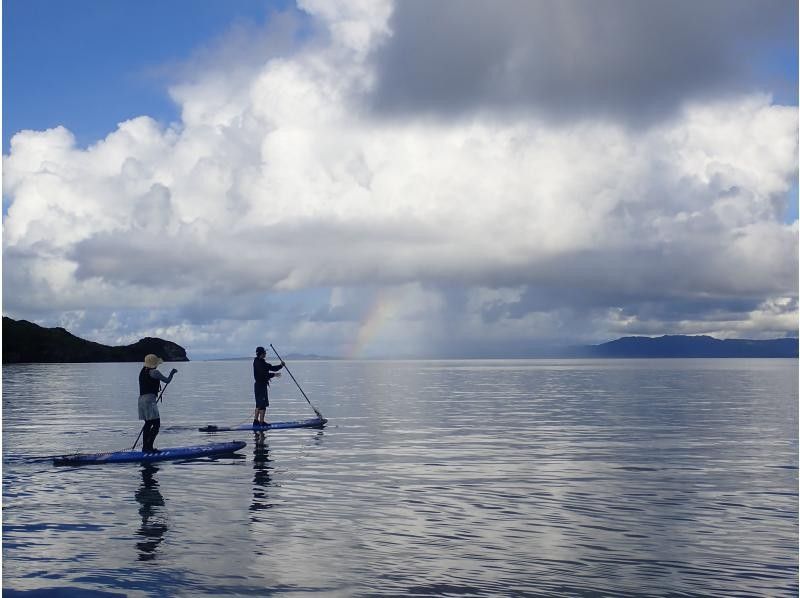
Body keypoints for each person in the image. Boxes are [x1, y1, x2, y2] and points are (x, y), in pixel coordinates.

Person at [138, 354, 177, 452]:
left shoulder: (142, 371)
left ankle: (145, 447)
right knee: (156, 424)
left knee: (148, 423)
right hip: (149, 401)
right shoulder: (155, 372)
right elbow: (167, 381)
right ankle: (149, 447)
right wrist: (172, 373)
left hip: (141, 400)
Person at [253, 346, 284, 426]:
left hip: (259, 386)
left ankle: (256, 422)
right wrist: (274, 375)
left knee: (258, 404)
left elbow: (271, 367)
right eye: (264, 353)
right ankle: (261, 422)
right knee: (262, 405)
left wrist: (281, 366)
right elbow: (264, 374)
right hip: (260, 386)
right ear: (261, 354)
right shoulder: (258, 363)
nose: (265, 354)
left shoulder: (261, 362)